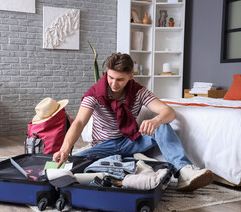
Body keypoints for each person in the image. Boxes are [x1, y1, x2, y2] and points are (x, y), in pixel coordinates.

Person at [53, 53, 213, 191]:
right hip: (103, 146)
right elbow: (79, 122)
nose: (114, 84)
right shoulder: (94, 94)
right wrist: (65, 149)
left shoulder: (139, 91)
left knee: (162, 124)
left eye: (120, 79)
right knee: (74, 164)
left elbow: (169, 112)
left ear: (131, 76)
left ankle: (184, 171)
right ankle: (126, 165)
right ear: (106, 73)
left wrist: (156, 120)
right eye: (110, 77)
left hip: (130, 140)